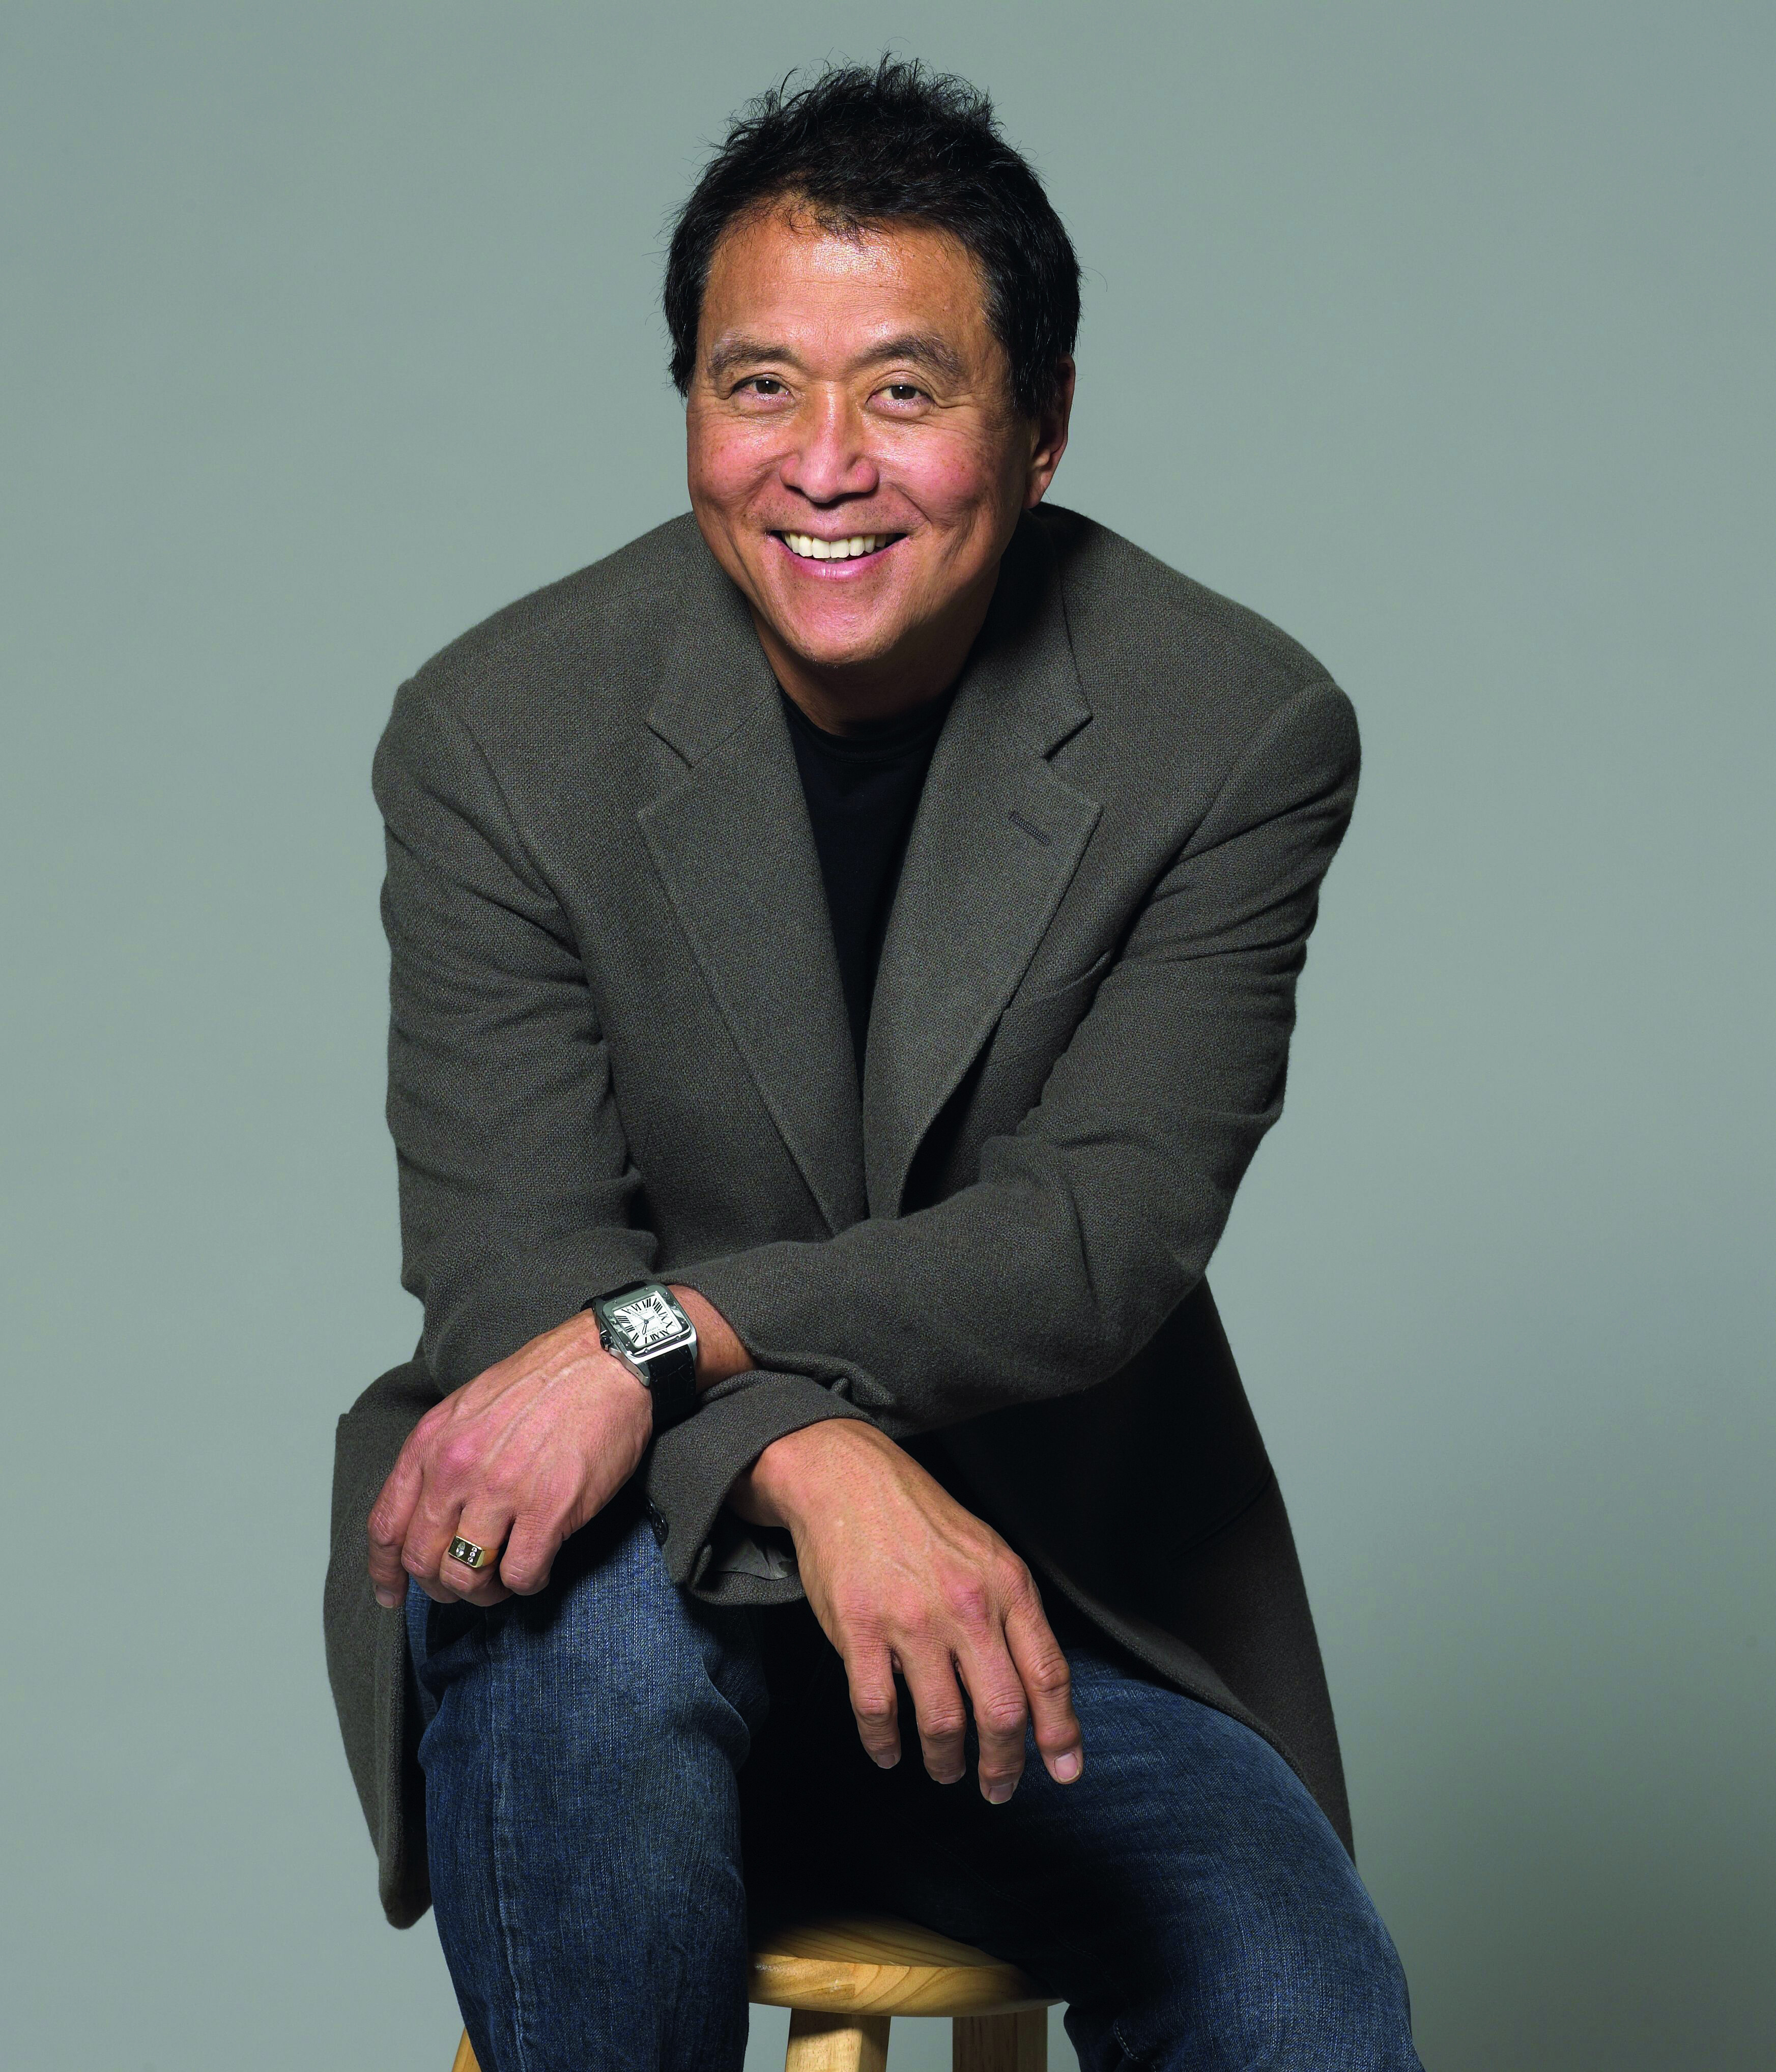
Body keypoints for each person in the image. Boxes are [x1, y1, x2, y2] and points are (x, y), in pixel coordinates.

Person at [324, 58, 1423, 2072]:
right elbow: (515, 1271)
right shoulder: (498, 734)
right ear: (689, 404)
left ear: (1043, 418)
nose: (823, 465)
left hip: (1055, 1580)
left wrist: (667, 1335)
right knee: (593, 1669)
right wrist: (812, 1456)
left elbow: (1094, 1234)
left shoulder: (1231, 728)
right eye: (759, 385)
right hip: (621, 1571)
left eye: (904, 391)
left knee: (1300, 2005)